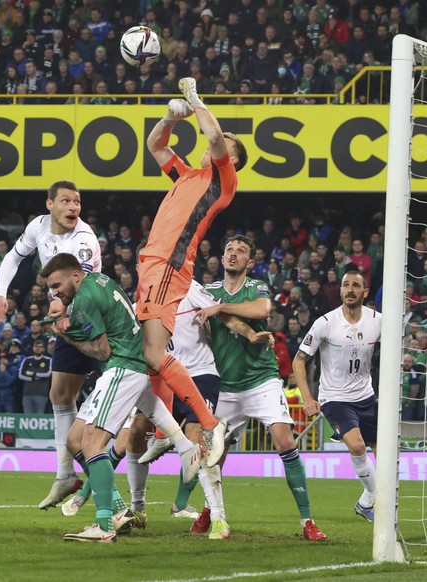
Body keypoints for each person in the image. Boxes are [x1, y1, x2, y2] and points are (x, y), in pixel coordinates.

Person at [41, 253, 200, 543]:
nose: (55, 291)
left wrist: (67, 335)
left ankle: (104, 524)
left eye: (57, 284)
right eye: (51, 287)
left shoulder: (85, 298)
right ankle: (119, 506)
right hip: (129, 368)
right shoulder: (102, 282)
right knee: (75, 440)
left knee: (91, 443)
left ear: (75, 274)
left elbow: (101, 352)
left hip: (121, 368)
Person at [136, 78, 248, 467]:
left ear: (230, 161)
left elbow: (216, 138)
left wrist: (196, 100)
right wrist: (169, 116)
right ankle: (167, 429)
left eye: (219, 149)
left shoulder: (222, 182)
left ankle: (204, 422)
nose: (207, 147)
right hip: (151, 264)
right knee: (148, 354)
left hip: (169, 266)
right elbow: (155, 145)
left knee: (152, 351)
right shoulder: (186, 176)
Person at [195, 235, 328, 541]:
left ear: (249, 262)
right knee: (216, 453)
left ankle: (307, 521)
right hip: (225, 385)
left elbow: (262, 311)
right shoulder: (207, 291)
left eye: (240, 251)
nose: (233, 254)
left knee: (284, 441)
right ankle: (210, 511)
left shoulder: (256, 287)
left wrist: (220, 309)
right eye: (228, 248)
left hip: (261, 380)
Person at [123, 279, 273, 540]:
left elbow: (224, 315)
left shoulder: (188, 287)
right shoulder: (140, 301)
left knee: (197, 438)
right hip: (164, 379)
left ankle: (218, 518)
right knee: (135, 431)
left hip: (200, 376)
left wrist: (249, 334)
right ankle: (138, 509)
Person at [0, 180, 101, 509]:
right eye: (66, 201)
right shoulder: (38, 226)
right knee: (59, 394)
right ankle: (65, 473)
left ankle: (182, 440)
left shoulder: (83, 239)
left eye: (78, 202)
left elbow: (85, 284)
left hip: (95, 321)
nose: (74, 207)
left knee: (134, 396)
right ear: (49, 204)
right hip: (69, 320)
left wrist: (63, 309)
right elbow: (12, 258)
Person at [293, 268, 381, 522]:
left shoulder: (377, 320)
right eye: (345, 285)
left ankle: (366, 501)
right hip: (335, 398)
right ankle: (379, 496)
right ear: (340, 290)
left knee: (384, 454)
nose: (349, 289)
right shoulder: (325, 323)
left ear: (364, 292)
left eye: (355, 285)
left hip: (366, 397)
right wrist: (308, 398)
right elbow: (299, 361)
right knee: (356, 445)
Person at [19, 338, 52, 413]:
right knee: (27, 416)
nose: (37, 349)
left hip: (42, 393)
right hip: (27, 393)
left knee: (39, 415)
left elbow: (48, 374)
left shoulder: (48, 360)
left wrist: (33, 374)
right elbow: (20, 375)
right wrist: (33, 378)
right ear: (33, 348)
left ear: (43, 348)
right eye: (36, 347)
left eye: (40, 347)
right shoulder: (27, 360)